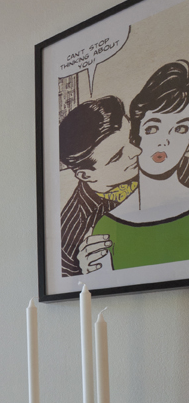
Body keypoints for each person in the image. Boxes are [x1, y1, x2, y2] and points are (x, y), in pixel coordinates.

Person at [88, 61, 189, 272]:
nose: (164, 141)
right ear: (136, 134)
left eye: (180, 129)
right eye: (153, 128)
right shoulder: (107, 227)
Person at [58, 96, 140, 275]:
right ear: (86, 175)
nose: (137, 151)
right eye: (117, 156)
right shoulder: (71, 235)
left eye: (132, 138)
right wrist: (87, 274)